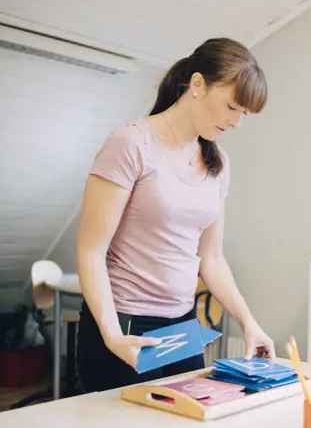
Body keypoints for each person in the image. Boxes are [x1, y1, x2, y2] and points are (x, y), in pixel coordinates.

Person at [75, 37, 275, 393]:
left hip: (182, 329)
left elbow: (210, 258)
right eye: (231, 106)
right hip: (125, 327)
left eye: (243, 113)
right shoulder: (132, 143)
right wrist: (112, 334)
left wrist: (249, 324)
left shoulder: (218, 162)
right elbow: (91, 250)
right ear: (197, 84)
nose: (237, 122)